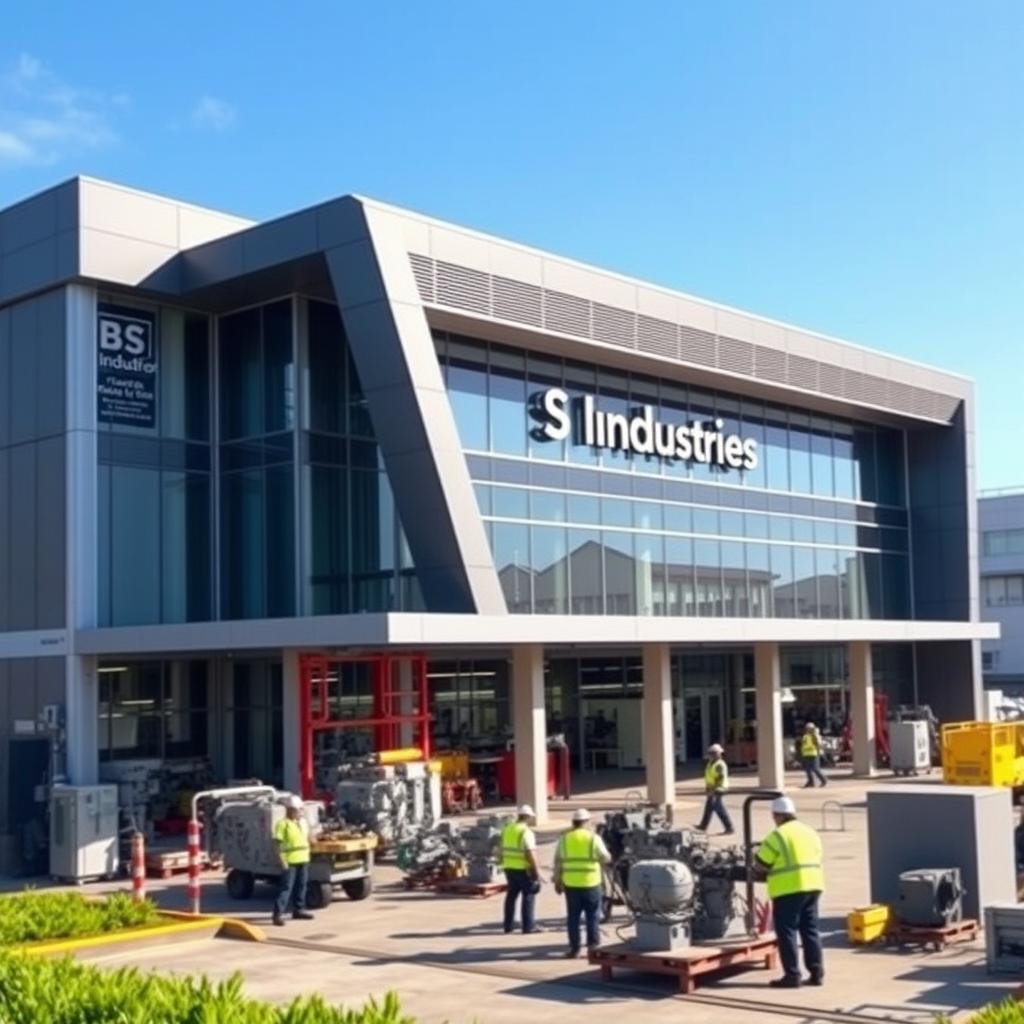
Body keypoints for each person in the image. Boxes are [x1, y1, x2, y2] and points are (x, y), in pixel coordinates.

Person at [754, 795, 825, 989]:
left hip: (789, 889)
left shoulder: (778, 836)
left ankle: (792, 976)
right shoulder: (809, 831)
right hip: (813, 886)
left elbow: (760, 864)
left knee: (787, 932)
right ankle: (816, 972)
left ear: (777, 816)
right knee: (810, 930)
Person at [553, 808, 611, 958]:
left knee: (573, 917)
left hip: (571, 885)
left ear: (574, 822)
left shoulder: (564, 839)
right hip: (591, 883)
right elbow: (605, 858)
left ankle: (574, 949)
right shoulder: (593, 838)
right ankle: (593, 947)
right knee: (592, 916)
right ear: (586, 822)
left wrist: (557, 881)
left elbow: (558, 862)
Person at [272, 795, 314, 926]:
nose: (300, 812)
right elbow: (277, 844)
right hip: (290, 860)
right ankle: (277, 914)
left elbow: (309, 837)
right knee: (286, 888)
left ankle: (298, 909)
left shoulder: (303, 822)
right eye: (298, 810)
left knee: (302, 886)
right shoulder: (282, 824)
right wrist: (281, 860)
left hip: (303, 858)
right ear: (290, 810)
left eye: (301, 810)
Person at [501, 804, 542, 935]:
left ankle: (508, 925)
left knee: (511, 896)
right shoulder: (526, 832)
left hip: (508, 867)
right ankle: (528, 926)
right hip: (522, 869)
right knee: (528, 895)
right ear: (529, 817)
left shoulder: (507, 829)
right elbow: (530, 853)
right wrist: (536, 872)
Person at [694, 743, 735, 835]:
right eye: (711, 753)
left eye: (714, 753)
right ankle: (703, 826)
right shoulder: (711, 763)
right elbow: (709, 776)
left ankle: (729, 827)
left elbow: (719, 778)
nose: (712, 755)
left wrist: (713, 789)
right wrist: (708, 788)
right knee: (709, 807)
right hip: (712, 788)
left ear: (719, 753)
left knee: (719, 808)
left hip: (719, 789)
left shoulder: (720, 764)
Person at [800, 722, 828, 788]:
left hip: (814, 754)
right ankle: (810, 782)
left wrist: (819, 751)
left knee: (815, 769)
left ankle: (823, 780)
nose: (808, 729)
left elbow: (819, 744)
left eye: (810, 728)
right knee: (807, 769)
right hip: (806, 754)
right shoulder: (805, 736)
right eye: (807, 728)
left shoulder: (815, 736)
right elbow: (803, 745)